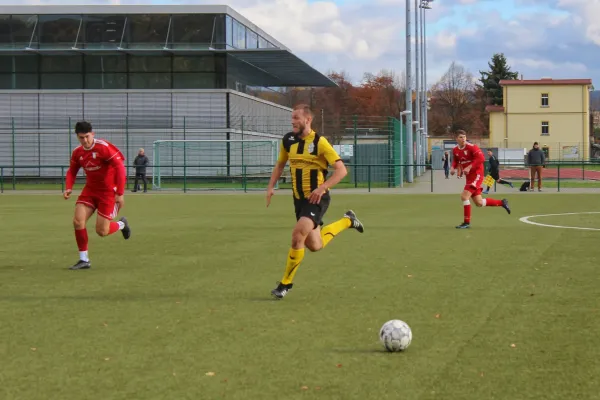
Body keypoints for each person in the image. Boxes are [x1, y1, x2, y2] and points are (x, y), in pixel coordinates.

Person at [266, 104, 364, 299]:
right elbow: (280, 165)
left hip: (317, 197)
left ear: (307, 120)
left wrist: (322, 188)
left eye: (296, 118)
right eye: (291, 118)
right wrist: (270, 187)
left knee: (297, 235)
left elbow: (342, 170)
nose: (292, 121)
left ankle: (285, 283)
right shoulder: (288, 140)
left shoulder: (320, 142)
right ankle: (348, 220)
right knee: (314, 245)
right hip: (299, 200)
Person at [64, 121, 131, 270]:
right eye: (81, 137)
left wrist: (120, 193)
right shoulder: (78, 152)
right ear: (77, 137)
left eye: (87, 136)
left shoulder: (104, 147)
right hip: (90, 191)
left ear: (92, 134)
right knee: (77, 221)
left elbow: (120, 168)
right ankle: (84, 260)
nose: (85, 140)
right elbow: (72, 171)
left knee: (102, 231)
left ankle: (121, 224)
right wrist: (68, 187)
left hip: (108, 193)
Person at [450, 130, 511, 229]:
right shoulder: (455, 150)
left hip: (477, 175)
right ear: (456, 138)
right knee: (479, 203)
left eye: (464, 137)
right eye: (461, 137)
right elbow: (456, 160)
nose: (463, 139)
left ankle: (466, 223)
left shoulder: (472, 147)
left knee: (464, 196)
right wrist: (453, 167)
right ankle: (502, 202)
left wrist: (469, 167)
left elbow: (481, 159)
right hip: (469, 177)